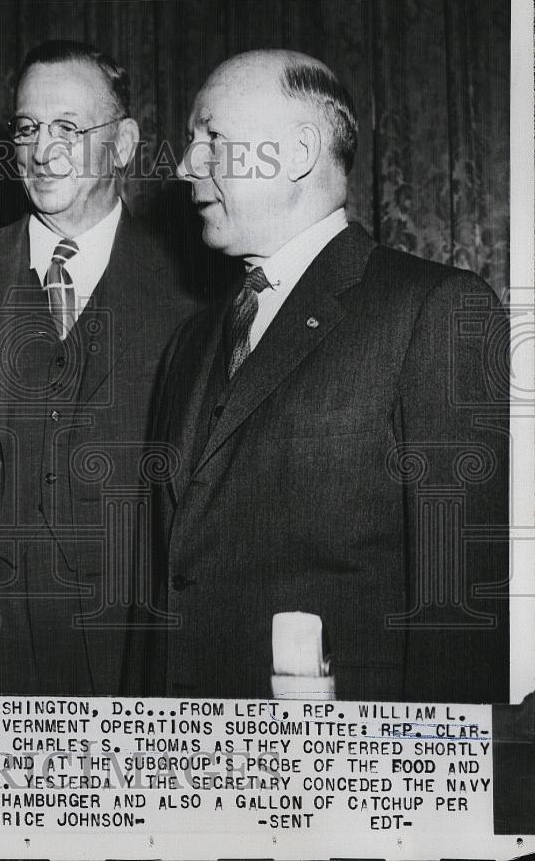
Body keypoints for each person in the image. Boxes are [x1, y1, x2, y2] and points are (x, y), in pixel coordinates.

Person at [151, 49, 509, 702]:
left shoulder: (434, 309)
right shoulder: (190, 341)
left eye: (212, 138)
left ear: (298, 152)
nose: (185, 165)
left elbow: (458, 620)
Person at [0, 40, 197, 695]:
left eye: (68, 127)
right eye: (28, 128)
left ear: (124, 144)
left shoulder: (194, 292)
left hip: (134, 661)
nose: (43, 151)